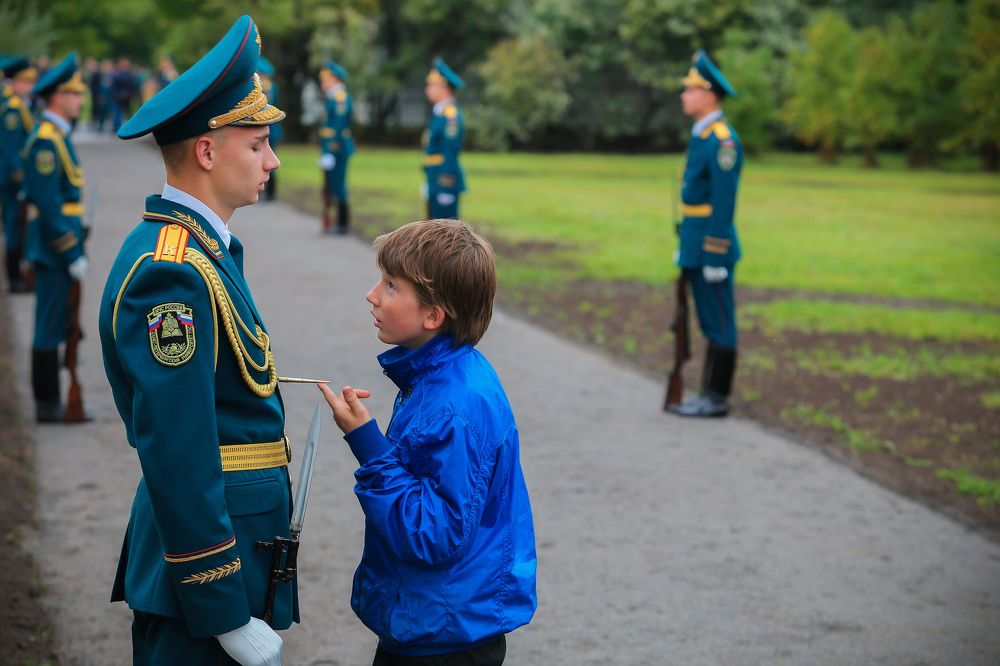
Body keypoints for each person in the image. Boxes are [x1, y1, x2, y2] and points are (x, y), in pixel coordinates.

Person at [99, 15, 292, 665]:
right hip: (205, 582)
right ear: (208, 151)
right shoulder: (172, 273)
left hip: (237, 552)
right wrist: (222, 607)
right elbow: (179, 447)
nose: (273, 159)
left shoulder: (207, 251)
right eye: (258, 143)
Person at [319, 219, 537, 665]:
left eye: (391, 286)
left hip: (443, 637)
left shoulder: (453, 404)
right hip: (441, 620)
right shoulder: (443, 376)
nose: (372, 295)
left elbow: (432, 534)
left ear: (433, 315)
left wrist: (366, 442)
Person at [667, 50, 743, 418]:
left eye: (691, 90)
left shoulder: (722, 141)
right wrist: (686, 247)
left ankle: (717, 396)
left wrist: (714, 253)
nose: (684, 95)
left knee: (719, 322)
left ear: (709, 95)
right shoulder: (702, 135)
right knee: (708, 321)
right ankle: (709, 393)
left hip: (713, 249)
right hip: (695, 245)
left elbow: (723, 205)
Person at [21, 53, 89, 423]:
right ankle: (47, 404)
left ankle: (53, 400)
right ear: (58, 97)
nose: (80, 99)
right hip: (53, 251)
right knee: (48, 325)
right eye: (74, 93)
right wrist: (71, 251)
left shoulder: (58, 137)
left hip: (59, 248)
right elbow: (48, 207)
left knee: (58, 322)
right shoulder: (46, 143)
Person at [0, 55, 37, 292]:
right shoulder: (12, 111)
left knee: (18, 225)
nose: (30, 86)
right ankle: (14, 279)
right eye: (26, 82)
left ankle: (18, 275)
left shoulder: (19, 106)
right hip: (12, 182)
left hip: (15, 181)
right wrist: (22, 183)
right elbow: (12, 152)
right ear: (14, 82)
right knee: (14, 225)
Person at [422, 58, 466, 220]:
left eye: (432, 85)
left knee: (448, 236)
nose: (428, 89)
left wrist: (445, 184)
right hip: (435, 178)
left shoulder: (450, 116)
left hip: (444, 181)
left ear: (444, 88)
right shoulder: (439, 113)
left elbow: (450, 150)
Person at [317, 60, 354, 233]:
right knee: (331, 185)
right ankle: (335, 222)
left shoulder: (341, 99)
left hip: (338, 149)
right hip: (331, 149)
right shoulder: (333, 98)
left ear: (336, 80)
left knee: (338, 185)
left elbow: (338, 127)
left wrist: (330, 151)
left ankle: (343, 224)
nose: (323, 84)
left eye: (326, 80)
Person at [257, 57, 282, 201]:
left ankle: (270, 193)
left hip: (270, 130)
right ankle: (266, 191)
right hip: (270, 130)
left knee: (269, 163)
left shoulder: (266, 87)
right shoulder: (270, 86)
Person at [110, 57, 135, 132]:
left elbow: (113, 87)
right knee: (124, 112)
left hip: (118, 96)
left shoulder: (116, 75)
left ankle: (117, 127)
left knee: (117, 112)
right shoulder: (130, 75)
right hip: (125, 96)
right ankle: (124, 127)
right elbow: (132, 87)